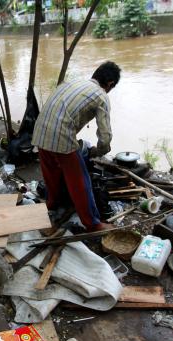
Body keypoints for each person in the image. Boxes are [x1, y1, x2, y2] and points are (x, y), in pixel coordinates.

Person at [31, 61, 122, 232]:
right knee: (80, 181)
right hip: (60, 135)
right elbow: (105, 137)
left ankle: (51, 203)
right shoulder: (101, 95)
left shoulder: (72, 82)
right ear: (110, 84)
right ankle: (93, 224)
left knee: (51, 173)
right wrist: (99, 151)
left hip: (40, 131)